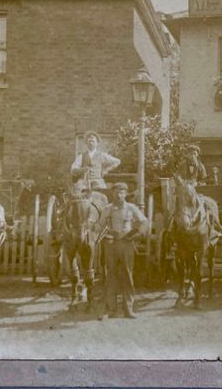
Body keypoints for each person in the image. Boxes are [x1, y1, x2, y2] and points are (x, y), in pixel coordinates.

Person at [97, 182, 149, 320]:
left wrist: (138, 234)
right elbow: (100, 224)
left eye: (121, 192)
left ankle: (129, 309)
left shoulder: (132, 208)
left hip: (126, 244)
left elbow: (144, 222)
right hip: (111, 244)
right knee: (110, 275)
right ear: (112, 194)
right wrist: (92, 226)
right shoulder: (107, 209)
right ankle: (111, 309)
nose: (119, 195)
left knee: (127, 274)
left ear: (126, 194)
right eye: (116, 192)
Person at [71, 130, 120, 196]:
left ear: (97, 143)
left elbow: (117, 161)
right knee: (77, 193)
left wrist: (106, 170)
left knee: (103, 194)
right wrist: (82, 170)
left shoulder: (102, 155)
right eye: (89, 141)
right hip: (84, 181)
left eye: (93, 141)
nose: (91, 143)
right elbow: (73, 169)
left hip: (97, 180)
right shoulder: (81, 156)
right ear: (86, 143)